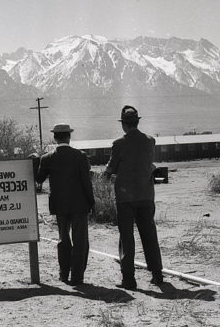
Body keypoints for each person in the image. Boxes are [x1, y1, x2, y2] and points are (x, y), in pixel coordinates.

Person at [104, 105, 164, 290]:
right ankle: (157, 274)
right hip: (146, 195)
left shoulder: (119, 144)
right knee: (149, 234)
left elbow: (111, 168)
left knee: (127, 237)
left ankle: (129, 279)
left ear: (124, 125)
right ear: (137, 122)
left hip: (125, 198)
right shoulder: (150, 141)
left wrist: (105, 174)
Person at [35, 123, 95, 286]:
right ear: (69, 136)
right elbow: (86, 183)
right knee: (80, 240)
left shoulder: (47, 158)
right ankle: (77, 277)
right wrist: (92, 202)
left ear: (55, 137)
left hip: (60, 205)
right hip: (79, 204)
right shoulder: (80, 156)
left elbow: (39, 179)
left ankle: (63, 274)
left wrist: (35, 161)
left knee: (63, 239)